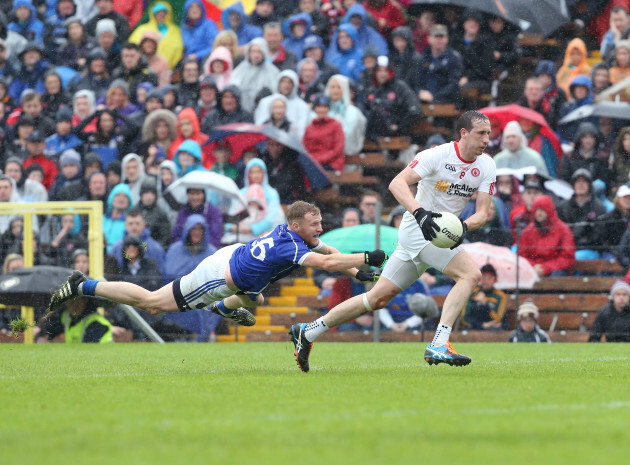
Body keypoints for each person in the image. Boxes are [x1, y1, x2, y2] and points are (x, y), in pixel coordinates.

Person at [289, 110, 496, 371]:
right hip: (417, 231)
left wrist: (462, 227)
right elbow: (397, 183)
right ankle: (439, 343)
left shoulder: (486, 165)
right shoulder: (436, 156)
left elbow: (482, 213)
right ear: (464, 133)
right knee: (471, 275)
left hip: (439, 238)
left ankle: (308, 331)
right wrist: (420, 214)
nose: (487, 139)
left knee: (376, 299)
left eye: (489, 133)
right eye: (481, 133)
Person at [49, 201, 388, 332]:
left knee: (256, 299)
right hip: (217, 275)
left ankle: (226, 307)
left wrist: (358, 272)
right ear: (297, 226)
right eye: (315, 223)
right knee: (152, 304)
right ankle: (84, 284)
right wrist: (365, 258)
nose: (320, 228)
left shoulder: (295, 232)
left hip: (234, 259)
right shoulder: (291, 244)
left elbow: (329, 251)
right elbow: (327, 262)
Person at [519, 195, 576, 277]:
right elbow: (522, 255)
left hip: (555, 270)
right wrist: (533, 266)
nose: (539, 213)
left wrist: (545, 268)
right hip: (534, 269)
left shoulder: (563, 230)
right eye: (536, 210)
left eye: (542, 209)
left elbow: (567, 258)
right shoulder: (528, 231)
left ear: (549, 210)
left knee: (556, 277)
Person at [461, 264, 507, 330]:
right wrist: (482, 325)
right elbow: (464, 317)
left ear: (495, 279)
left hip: (493, 328)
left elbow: (498, 318)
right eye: (483, 277)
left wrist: (485, 304)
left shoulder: (500, 296)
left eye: (489, 278)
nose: (486, 281)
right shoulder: (472, 293)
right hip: (474, 327)